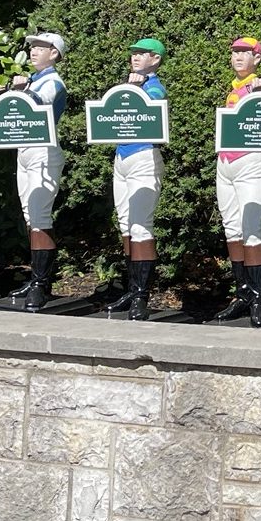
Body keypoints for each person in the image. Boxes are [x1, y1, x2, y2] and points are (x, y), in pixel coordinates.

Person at [210, 37, 261, 327]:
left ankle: (258, 300)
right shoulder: (233, 87)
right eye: (235, 52)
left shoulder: (258, 86)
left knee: (252, 231)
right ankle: (243, 295)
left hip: (250, 163)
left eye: (244, 53)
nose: (237, 57)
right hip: (226, 163)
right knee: (232, 230)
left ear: (256, 59)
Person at [103, 38, 168, 321]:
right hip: (122, 157)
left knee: (141, 226)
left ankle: (142, 295)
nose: (136, 57)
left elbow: (153, 107)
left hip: (144, 157)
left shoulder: (153, 87)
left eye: (142, 53)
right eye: (133, 54)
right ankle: (132, 289)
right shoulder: (130, 86)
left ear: (156, 59)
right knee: (126, 225)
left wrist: (136, 88)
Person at [6, 32, 69, 311]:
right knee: (30, 216)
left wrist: (23, 92)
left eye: (41, 48)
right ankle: (36, 279)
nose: (33, 51)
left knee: (40, 216)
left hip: (44, 149)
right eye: (32, 47)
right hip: (26, 149)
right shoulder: (34, 79)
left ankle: (41, 284)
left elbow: (39, 105)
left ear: (54, 54)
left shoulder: (52, 81)